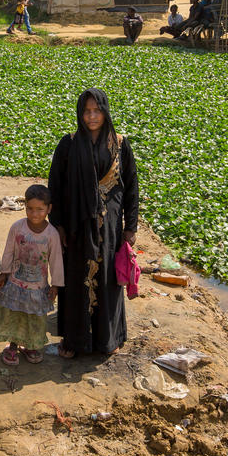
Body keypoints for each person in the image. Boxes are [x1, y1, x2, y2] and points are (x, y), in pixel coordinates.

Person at [48, 89, 139, 357]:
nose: (91, 116)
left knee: (109, 280)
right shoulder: (69, 143)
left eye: (96, 111)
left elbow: (131, 186)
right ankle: (74, 341)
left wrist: (130, 226)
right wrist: (59, 225)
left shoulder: (120, 144)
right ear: (80, 113)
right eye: (86, 111)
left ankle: (107, 340)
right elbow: (56, 185)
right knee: (76, 279)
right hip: (77, 225)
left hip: (110, 226)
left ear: (105, 112)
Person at [0, 184, 65, 366]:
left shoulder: (51, 234)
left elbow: (56, 260)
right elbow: (8, 252)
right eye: (30, 208)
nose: (34, 214)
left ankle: (31, 346)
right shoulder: (17, 228)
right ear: (25, 206)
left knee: (34, 318)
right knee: (15, 315)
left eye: (40, 209)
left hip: (38, 287)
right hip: (15, 283)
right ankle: (12, 346)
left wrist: (56, 285)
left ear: (49, 209)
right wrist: (3, 273)